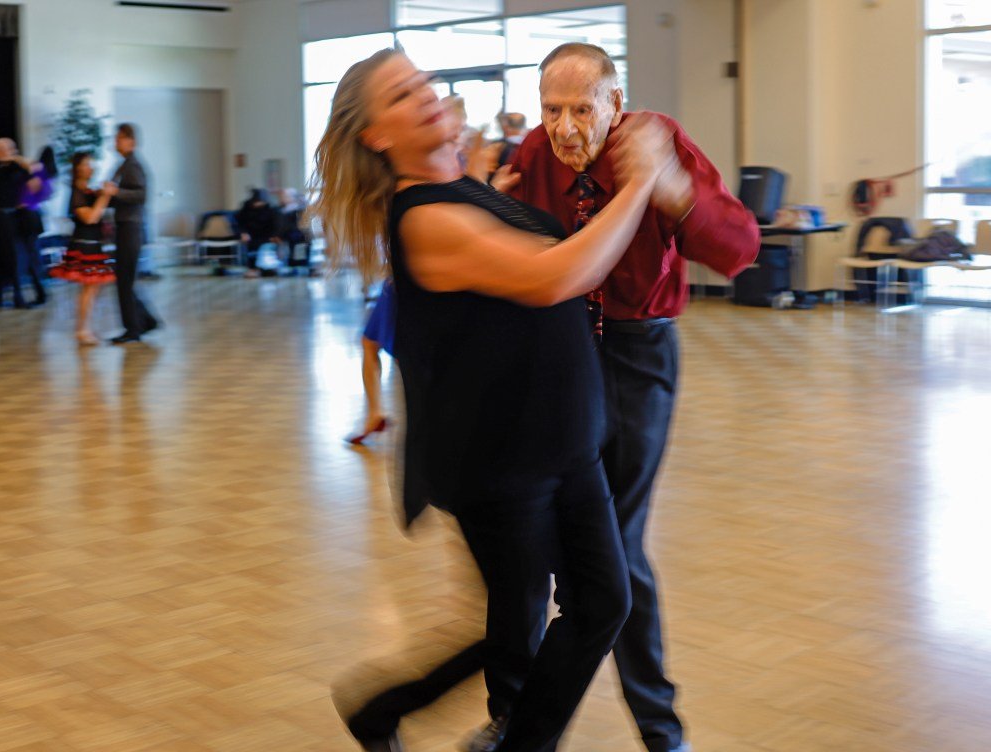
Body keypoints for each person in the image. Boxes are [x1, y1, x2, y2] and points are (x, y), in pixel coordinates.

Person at [316, 48, 678, 752]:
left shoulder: (465, 189)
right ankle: (416, 718)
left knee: (599, 604)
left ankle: (387, 713)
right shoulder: (422, 219)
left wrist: (487, 179)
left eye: (420, 81)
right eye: (400, 95)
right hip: (499, 462)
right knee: (523, 622)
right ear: (377, 135)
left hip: (564, 441)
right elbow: (558, 275)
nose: (424, 93)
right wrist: (640, 184)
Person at [460, 42, 760, 752]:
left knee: (615, 549)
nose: (565, 128)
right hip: (552, 354)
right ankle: (513, 716)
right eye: (551, 110)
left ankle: (659, 729)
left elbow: (739, 245)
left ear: (614, 103)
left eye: (581, 109)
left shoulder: (654, 140)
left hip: (634, 356)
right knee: (525, 543)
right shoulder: (533, 154)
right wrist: (485, 199)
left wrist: (671, 189)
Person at [49, 152, 117, 345]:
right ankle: (81, 330)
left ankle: (85, 328)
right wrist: (104, 196)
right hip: (84, 245)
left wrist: (103, 194)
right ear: (78, 168)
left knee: (92, 289)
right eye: (87, 164)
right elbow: (90, 218)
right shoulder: (77, 192)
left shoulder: (87, 191)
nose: (91, 168)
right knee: (89, 289)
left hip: (93, 244)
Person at [107, 123, 158, 344]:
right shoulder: (124, 165)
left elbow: (140, 195)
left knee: (125, 281)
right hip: (126, 226)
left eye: (120, 138)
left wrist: (115, 191)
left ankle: (133, 329)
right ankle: (145, 321)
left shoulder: (133, 165)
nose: (116, 142)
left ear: (132, 141)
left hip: (131, 227)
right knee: (125, 280)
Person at [0, 137, 39, 309]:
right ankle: (14, 297)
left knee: (14, 257)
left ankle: (7, 297)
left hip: (13, 217)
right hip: (0, 218)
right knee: (7, 257)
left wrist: (20, 162)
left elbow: (34, 183)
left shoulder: (15, 168)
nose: (13, 151)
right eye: (9, 148)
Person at [345, 278, 395, 445]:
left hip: (402, 283)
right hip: (394, 283)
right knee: (369, 342)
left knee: (403, 352)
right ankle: (374, 413)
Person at [15, 145, 58, 307]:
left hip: (26, 215)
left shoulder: (37, 168)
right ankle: (41, 290)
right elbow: (47, 194)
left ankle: (41, 292)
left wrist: (15, 158)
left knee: (30, 255)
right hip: (34, 213)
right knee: (33, 254)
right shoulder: (48, 173)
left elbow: (33, 185)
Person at [235, 187, 280, 278]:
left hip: (267, 235)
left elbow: (276, 224)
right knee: (252, 248)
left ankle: (267, 268)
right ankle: (253, 268)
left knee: (267, 249)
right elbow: (239, 223)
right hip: (251, 235)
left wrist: (275, 235)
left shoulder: (271, 210)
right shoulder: (245, 210)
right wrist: (243, 233)